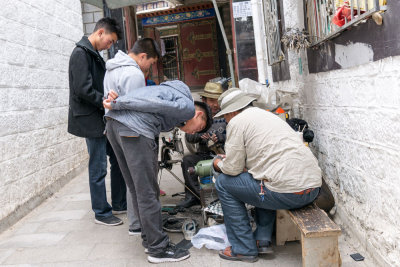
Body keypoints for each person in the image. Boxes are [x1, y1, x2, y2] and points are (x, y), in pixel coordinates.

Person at [103, 79, 212, 263]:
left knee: (137, 189)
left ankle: (149, 239)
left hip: (114, 124)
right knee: (148, 192)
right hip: (133, 129)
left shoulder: (169, 92)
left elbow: (146, 97)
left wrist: (118, 103)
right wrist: (118, 102)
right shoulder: (186, 106)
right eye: (199, 127)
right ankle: (158, 249)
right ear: (198, 114)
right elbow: (152, 103)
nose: (193, 132)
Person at [212, 88, 322, 262]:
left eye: (225, 115)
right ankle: (262, 239)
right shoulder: (266, 115)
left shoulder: (236, 122)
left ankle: (243, 248)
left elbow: (232, 169)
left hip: (287, 194)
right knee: (260, 177)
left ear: (232, 111)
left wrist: (217, 163)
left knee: (224, 183)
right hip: (313, 189)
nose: (225, 119)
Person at [67, 17, 126, 226]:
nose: (109, 46)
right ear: (100, 32)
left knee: (118, 160)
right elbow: (82, 89)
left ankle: (120, 202)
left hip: (100, 117)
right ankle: (101, 212)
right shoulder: (80, 53)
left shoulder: (93, 53)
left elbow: (95, 83)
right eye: (109, 41)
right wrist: (103, 101)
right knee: (98, 166)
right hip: (90, 120)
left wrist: (107, 94)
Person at [102, 38, 161, 236]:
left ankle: (137, 224)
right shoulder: (134, 73)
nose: (150, 68)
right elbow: (138, 109)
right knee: (144, 184)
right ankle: (153, 236)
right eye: (151, 63)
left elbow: (110, 101)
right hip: (131, 131)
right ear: (143, 56)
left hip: (112, 126)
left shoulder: (111, 68)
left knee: (132, 181)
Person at [177, 81, 227, 208]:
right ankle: (193, 196)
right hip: (204, 154)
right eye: (211, 100)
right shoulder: (196, 113)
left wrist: (222, 138)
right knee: (187, 161)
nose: (215, 104)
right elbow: (189, 136)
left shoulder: (227, 114)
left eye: (217, 100)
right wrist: (200, 135)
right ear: (204, 100)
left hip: (224, 155)